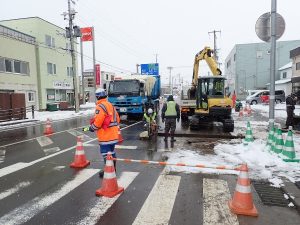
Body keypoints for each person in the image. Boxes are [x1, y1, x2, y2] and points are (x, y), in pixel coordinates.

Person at [88, 88, 120, 177]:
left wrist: (92, 128)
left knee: (105, 153)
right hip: (113, 135)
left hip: (105, 136)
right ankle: (113, 168)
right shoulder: (110, 105)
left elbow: (98, 121)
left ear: (97, 96)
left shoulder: (100, 106)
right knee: (112, 152)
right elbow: (117, 119)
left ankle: (108, 170)